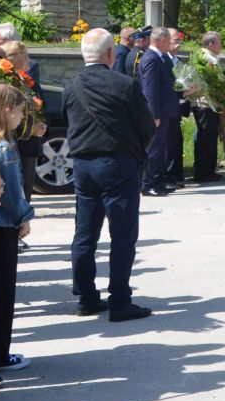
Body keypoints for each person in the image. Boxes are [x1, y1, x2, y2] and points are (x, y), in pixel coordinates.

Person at [63, 28, 156, 322]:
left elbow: (67, 122)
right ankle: (120, 301)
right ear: (110, 54)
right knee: (122, 235)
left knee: (84, 234)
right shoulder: (124, 84)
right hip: (116, 164)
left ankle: (86, 298)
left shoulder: (70, 86)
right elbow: (146, 128)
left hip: (82, 166)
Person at [0, 84, 35, 374]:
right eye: (18, 112)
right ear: (6, 111)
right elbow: (13, 192)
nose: (21, 117)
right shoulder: (3, 147)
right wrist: (24, 218)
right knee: (3, 294)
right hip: (4, 225)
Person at [0, 41, 48, 203]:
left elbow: (38, 106)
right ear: (11, 58)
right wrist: (31, 129)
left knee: (25, 194)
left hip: (29, 144)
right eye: (24, 56)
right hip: (15, 142)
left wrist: (40, 124)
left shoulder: (23, 78)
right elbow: (6, 115)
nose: (28, 60)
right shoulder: (5, 81)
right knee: (14, 194)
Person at [138, 27, 179, 197]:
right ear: (162, 40)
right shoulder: (151, 58)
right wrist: (154, 115)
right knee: (153, 149)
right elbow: (150, 90)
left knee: (159, 149)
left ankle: (155, 181)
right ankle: (146, 184)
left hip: (164, 111)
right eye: (169, 40)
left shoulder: (158, 57)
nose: (170, 43)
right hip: (158, 113)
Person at [191, 32, 224, 184]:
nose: (221, 45)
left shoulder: (203, 56)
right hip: (206, 104)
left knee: (207, 138)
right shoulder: (207, 59)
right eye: (219, 42)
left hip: (206, 103)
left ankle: (207, 170)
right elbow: (215, 82)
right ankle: (203, 172)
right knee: (206, 139)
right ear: (211, 44)